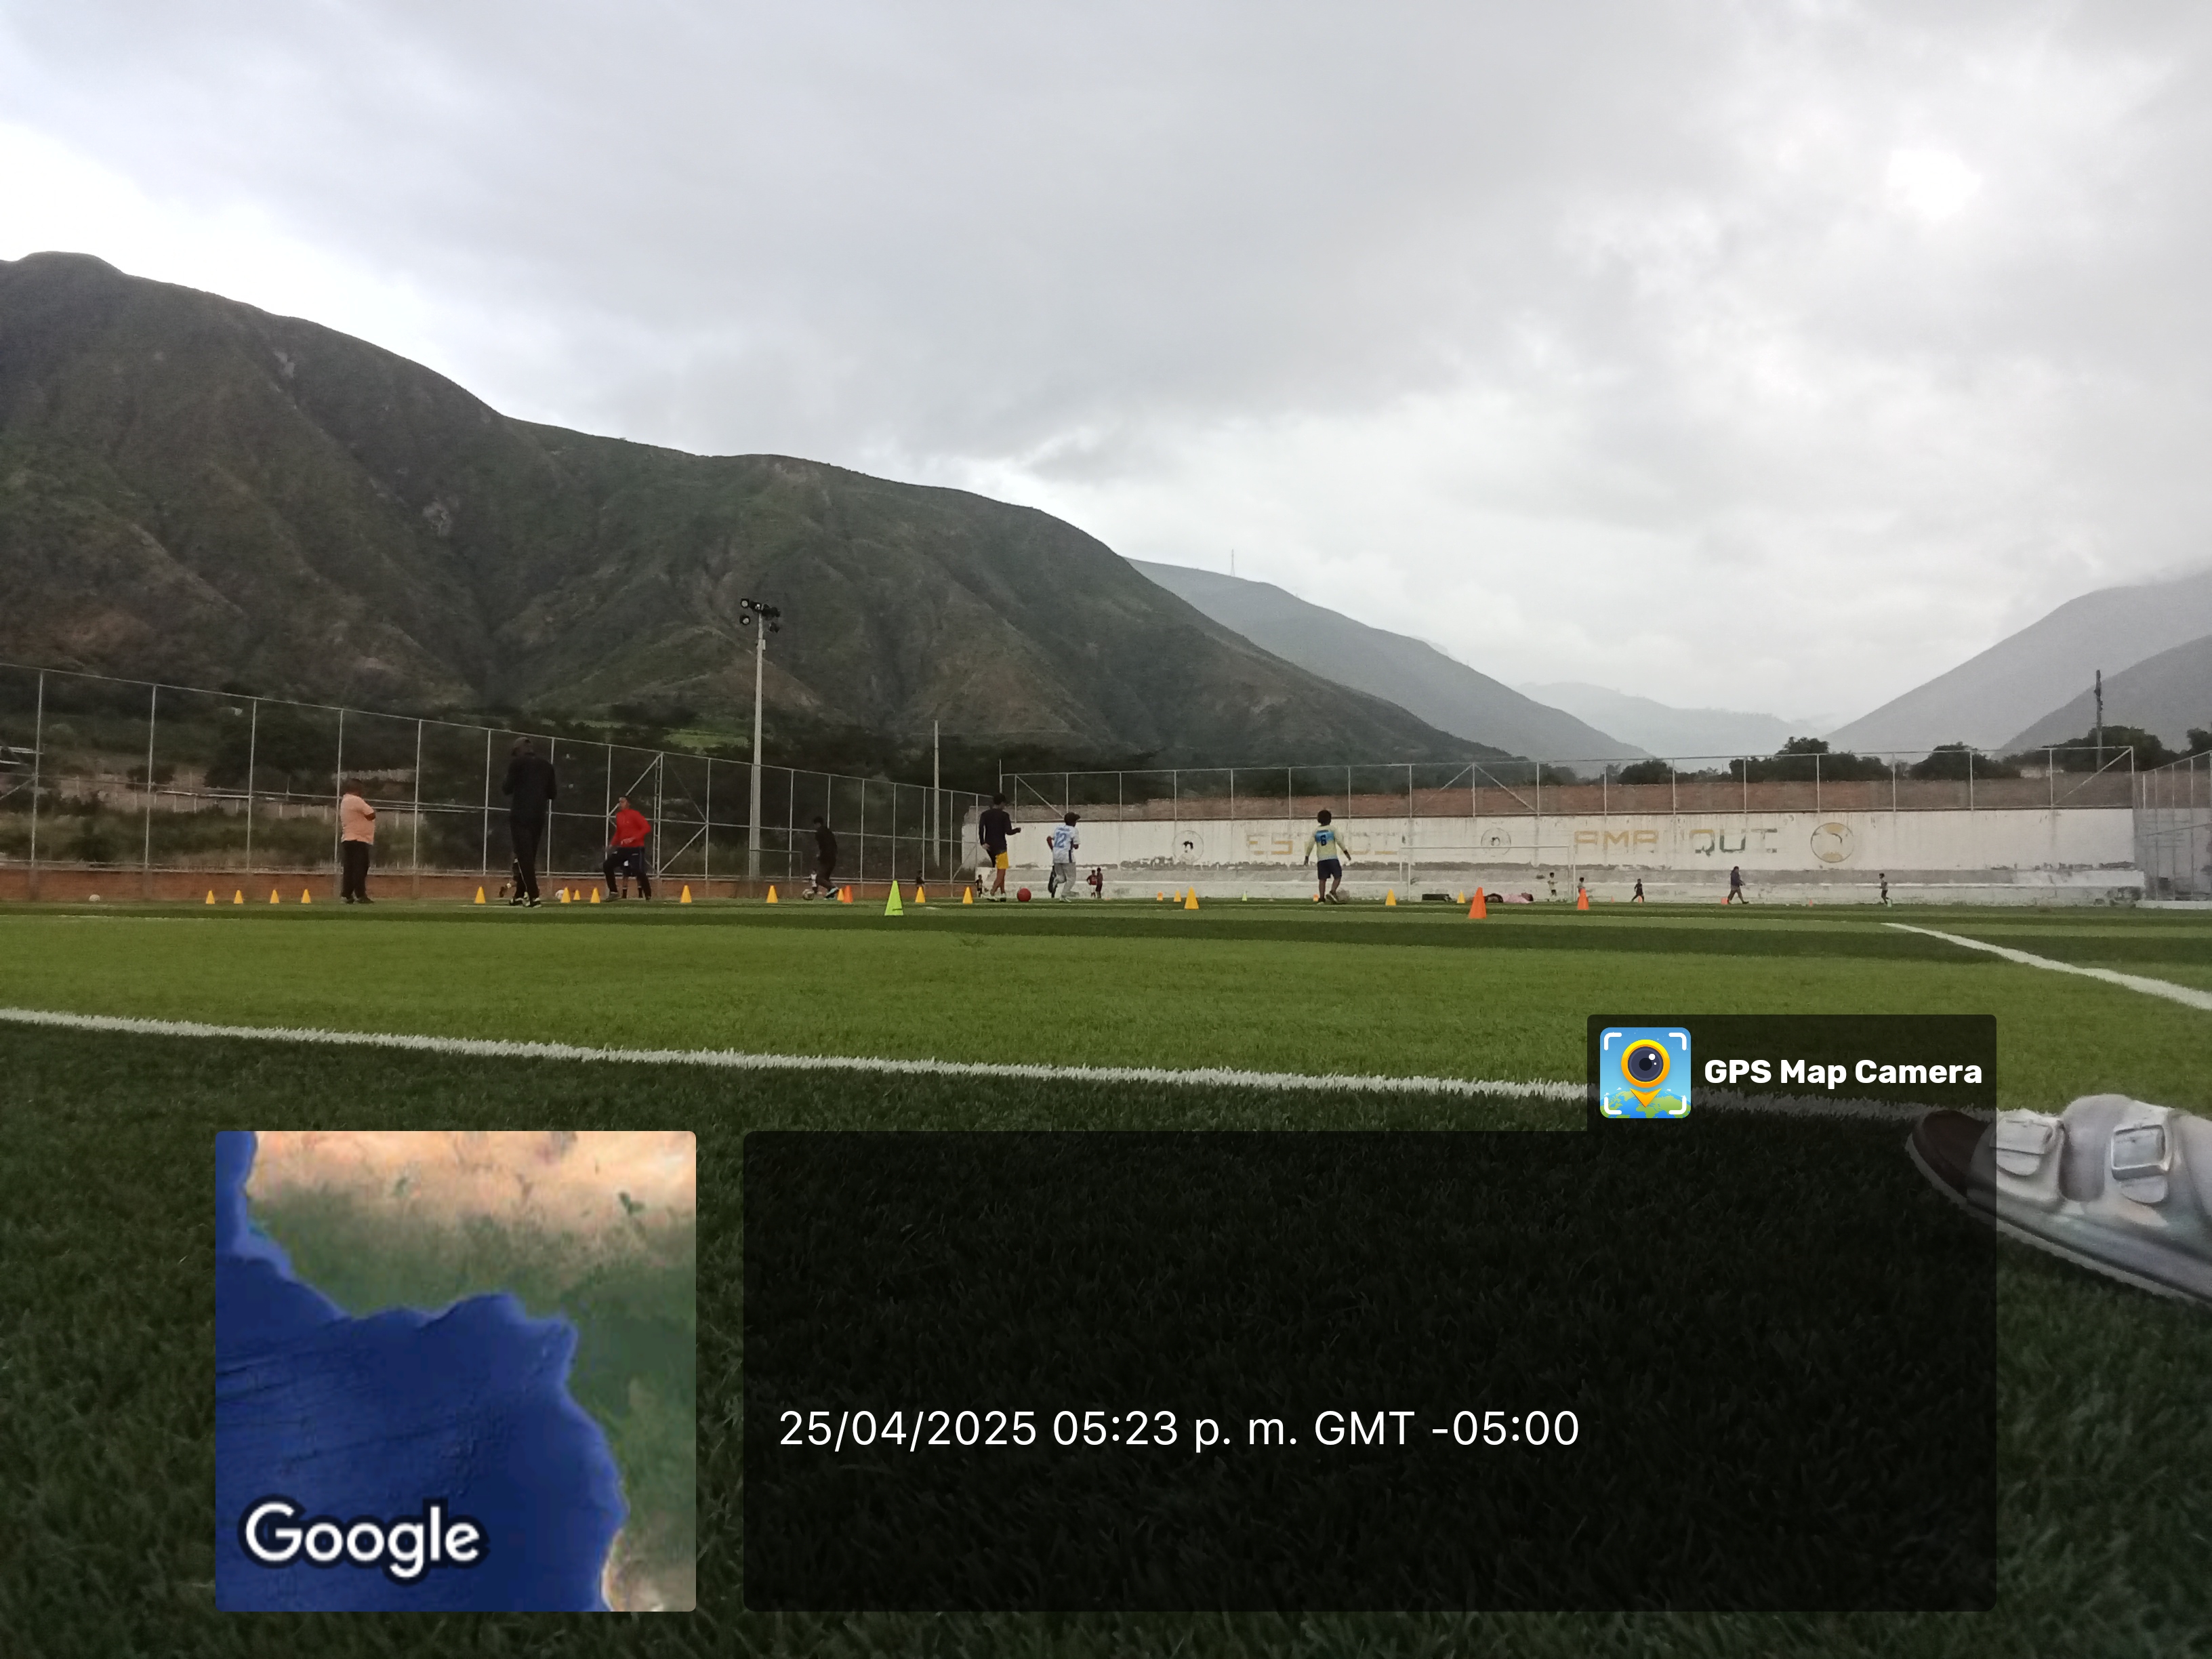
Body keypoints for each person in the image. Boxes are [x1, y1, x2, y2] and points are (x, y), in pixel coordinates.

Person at [501, 737, 557, 907]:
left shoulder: (517, 764)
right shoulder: (547, 766)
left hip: (520, 815)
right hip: (538, 816)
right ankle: (519, 895)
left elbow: (506, 788)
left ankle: (534, 896)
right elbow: (552, 793)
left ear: (518, 750)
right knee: (529, 856)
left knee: (523, 857)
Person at [602, 796, 652, 899]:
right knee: (607, 865)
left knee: (639, 870)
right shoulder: (619, 816)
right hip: (623, 848)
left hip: (636, 848)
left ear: (628, 803)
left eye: (623, 802)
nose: (620, 804)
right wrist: (612, 844)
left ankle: (648, 894)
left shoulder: (635, 814)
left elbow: (646, 828)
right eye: (619, 802)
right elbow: (619, 832)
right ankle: (614, 892)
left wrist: (633, 838)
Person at [338, 781, 375, 904]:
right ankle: (360, 895)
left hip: (349, 838)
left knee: (350, 868)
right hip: (358, 839)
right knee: (360, 867)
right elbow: (371, 814)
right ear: (358, 789)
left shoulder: (345, 800)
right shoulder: (355, 800)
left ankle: (347, 894)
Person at [1304, 809, 1351, 903]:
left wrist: (1307, 857)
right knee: (1338, 876)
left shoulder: (1316, 831)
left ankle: (1321, 898)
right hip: (1332, 858)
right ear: (1330, 819)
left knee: (1322, 879)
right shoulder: (1332, 829)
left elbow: (1310, 845)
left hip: (1321, 859)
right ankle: (1332, 892)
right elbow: (1340, 841)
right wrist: (1346, 852)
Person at [979, 794, 1019, 901]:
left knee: (999, 869)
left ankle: (1003, 892)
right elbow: (1008, 832)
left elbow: (981, 828)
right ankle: (992, 893)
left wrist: (982, 842)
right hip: (1000, 846)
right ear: (1002, 803)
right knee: (1002, 871)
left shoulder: (985, 814)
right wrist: (1017, 830)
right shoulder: (1004, 815)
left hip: (989, 846)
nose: (1005, 806)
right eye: (1004, 804)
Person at [1047, 813, 1080, 899]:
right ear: (1074, 822)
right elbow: (1076, 846)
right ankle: (1064, 894)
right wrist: (1072, 844)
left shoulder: (1058, 828)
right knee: (1071, 878)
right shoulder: (1074, 830)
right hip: (1067, 856)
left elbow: (1049, 839)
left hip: (1056, 856)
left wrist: (1053, 849)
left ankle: (1056, 880)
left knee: (1062, 878)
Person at [805, 816, 838, 898]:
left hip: (826, 858)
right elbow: (833, 845)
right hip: (833, 858)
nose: (814, 827)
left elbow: (823, 846)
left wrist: (820, 855)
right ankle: (831, 895)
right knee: (826, 878)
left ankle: (832, 887)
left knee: (819, 878)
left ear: (818, 824)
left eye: (815, 825)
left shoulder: (820, 833)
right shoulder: (829, 832)